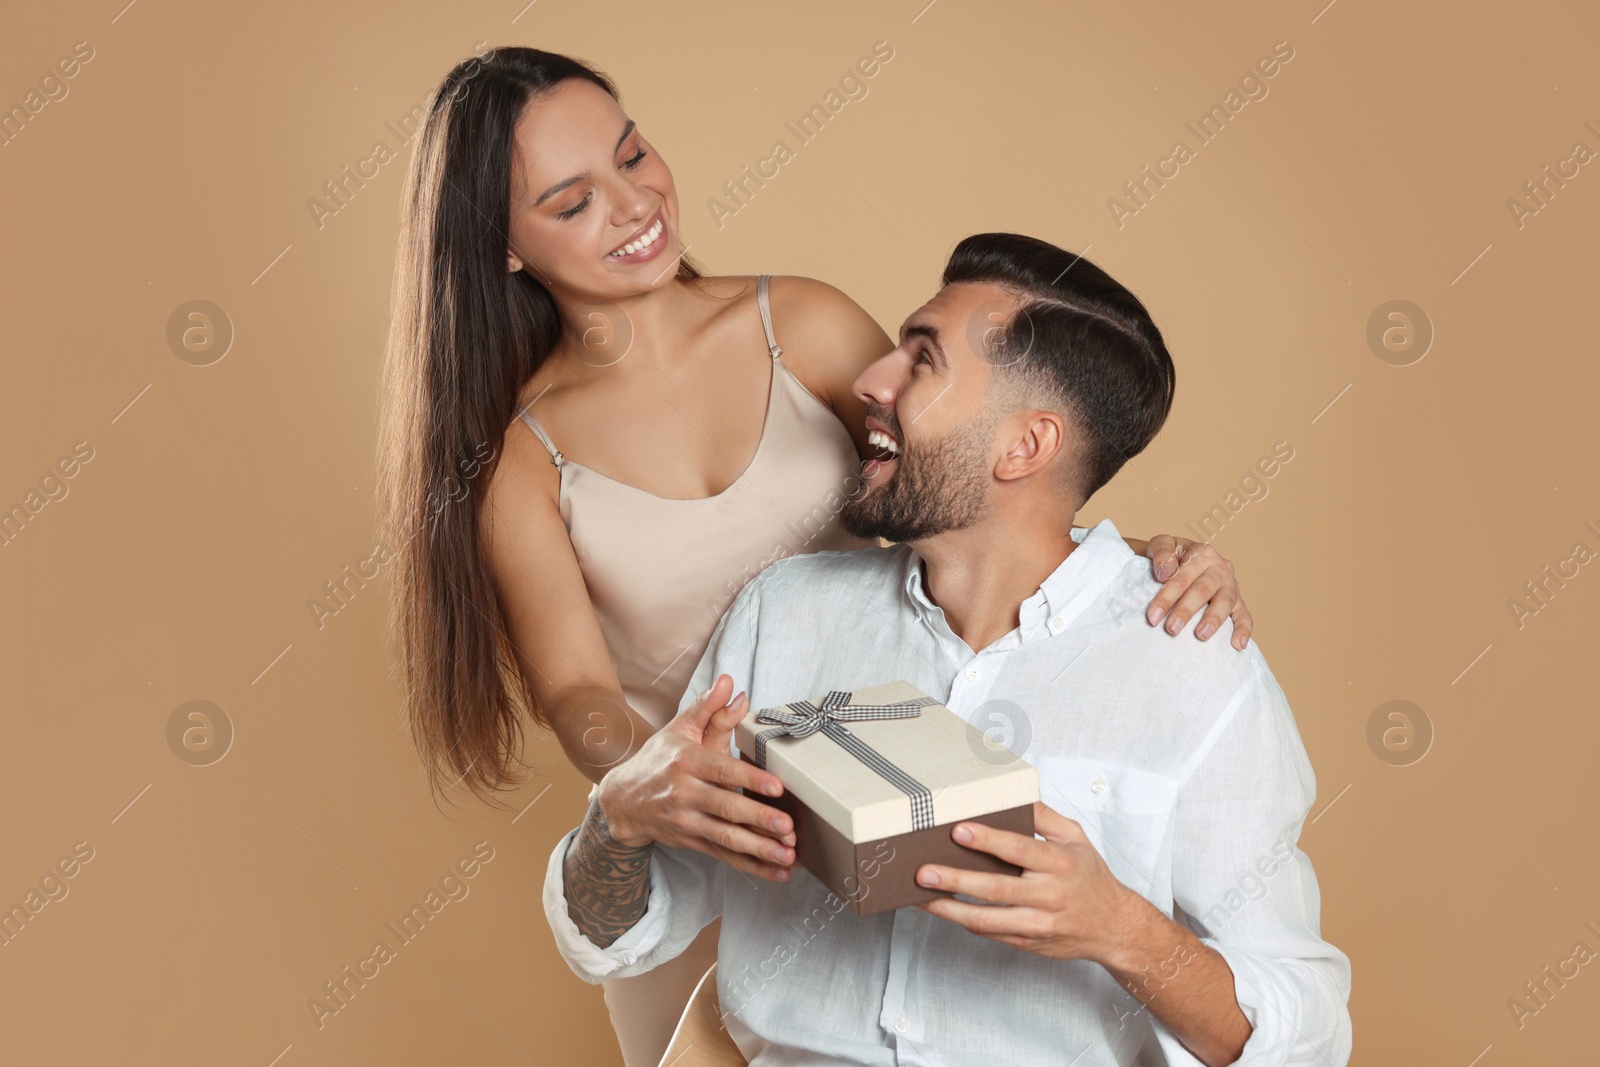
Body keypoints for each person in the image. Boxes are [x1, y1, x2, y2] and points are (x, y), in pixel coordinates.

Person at [378, 47, 1260, 1067]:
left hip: (906, 791)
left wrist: (1145, 558)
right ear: (503, 249)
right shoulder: (527, 461)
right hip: (704, 844)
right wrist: (665, 774)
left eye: (633, 155)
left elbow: (971, 476)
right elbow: (573, 686)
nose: (632, 206)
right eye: (574, 202)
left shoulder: (797, 322)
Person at [545, 233, 1352, 1066]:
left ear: (1024, 447)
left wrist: (1126, 933)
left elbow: (1309, 1036)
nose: (870, 381)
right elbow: (619, 936)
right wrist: (620, 815)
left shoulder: (1191, 663)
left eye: (921, 361)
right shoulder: (784, 615)